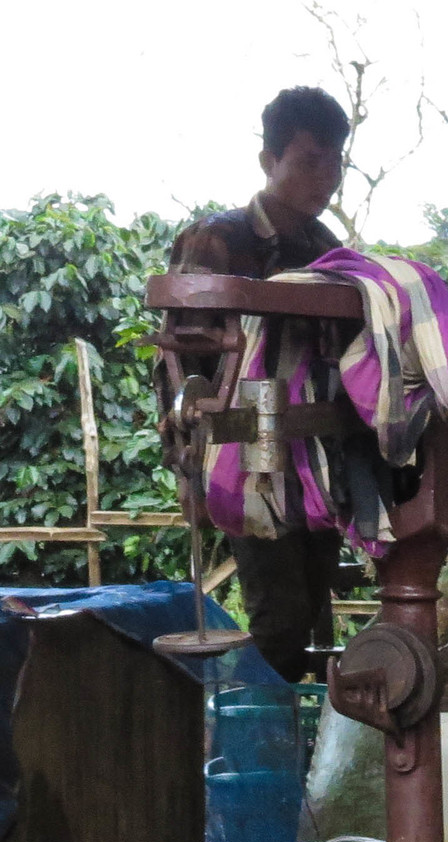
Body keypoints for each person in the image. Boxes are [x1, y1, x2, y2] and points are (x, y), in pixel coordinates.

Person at [169, 87, 356, 684]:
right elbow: (182, 365)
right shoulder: (216, 240)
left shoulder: (330, 251)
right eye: (308, 161)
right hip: (241, 461)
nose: (324, 178)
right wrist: (187, 471)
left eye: (334, 163)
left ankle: (280, 751)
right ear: (268, 161)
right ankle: (242, 755)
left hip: (314, 463)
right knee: (280, 624)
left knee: (306, 615)